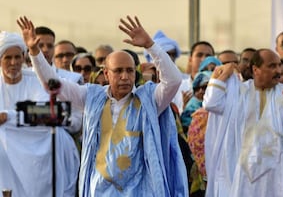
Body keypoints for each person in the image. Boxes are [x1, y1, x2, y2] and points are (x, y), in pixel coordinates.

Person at [18, 15, 188, 196]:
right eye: (118, 71)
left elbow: (174, 80)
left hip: (140, 190)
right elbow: (52, 84)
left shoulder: (149, 100)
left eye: (129, 71)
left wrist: (150, 46)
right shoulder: (92, 97)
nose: (125, 76)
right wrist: (34, 52)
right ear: (106, 74)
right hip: (99, 189)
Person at [203, 49, 283, 197]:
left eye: (278, 65)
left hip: (279, 177)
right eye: (272, 66)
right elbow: (211, 103)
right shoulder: (238, 93)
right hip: (243, 177)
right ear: (256, 69)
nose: (278, 70)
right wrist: (225, 70)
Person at [0, 31, 80, 196]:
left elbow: (54, 114)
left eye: (17, 57)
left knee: (57, 136)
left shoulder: (38, 80)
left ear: (24, 58)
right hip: (7, 150)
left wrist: (9, 117)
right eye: (8, 58)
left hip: (39, 146)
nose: (13, 63)